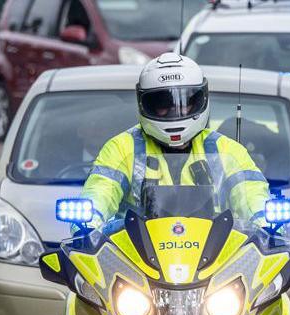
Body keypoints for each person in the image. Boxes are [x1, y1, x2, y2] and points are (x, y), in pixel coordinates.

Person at [82, 53, 269, 226]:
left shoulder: (226, 149)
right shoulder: (121, 147)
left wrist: (263, 219)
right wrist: (90, 219)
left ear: (200, 99)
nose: (175, 109)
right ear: (144, 103)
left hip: (218, 255)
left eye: (185, 101)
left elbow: (249, 190)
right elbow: (102, 189)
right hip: (135, 255)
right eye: (162, 102)